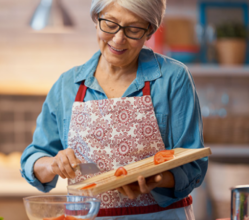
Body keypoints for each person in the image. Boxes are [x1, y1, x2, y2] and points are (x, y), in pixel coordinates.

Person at [20, 0, 208, 219]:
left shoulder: (173, 79)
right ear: (96, 19)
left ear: (150, 31)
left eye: (134, 29)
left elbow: (194, 165)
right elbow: (33, 159)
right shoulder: (67, 85)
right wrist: (53, 164)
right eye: (110, 24)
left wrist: (159, 178)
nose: (118, 39)